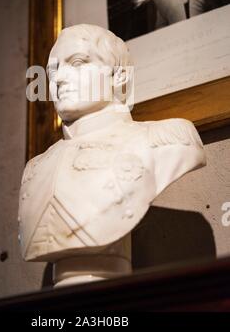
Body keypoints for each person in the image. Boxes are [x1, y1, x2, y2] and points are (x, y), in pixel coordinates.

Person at [18, 24, 206, 285]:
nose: (59, 79)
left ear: (118, 75)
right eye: (53, 70)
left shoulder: (169, 137)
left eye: (78, 62)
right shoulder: (35, 168)